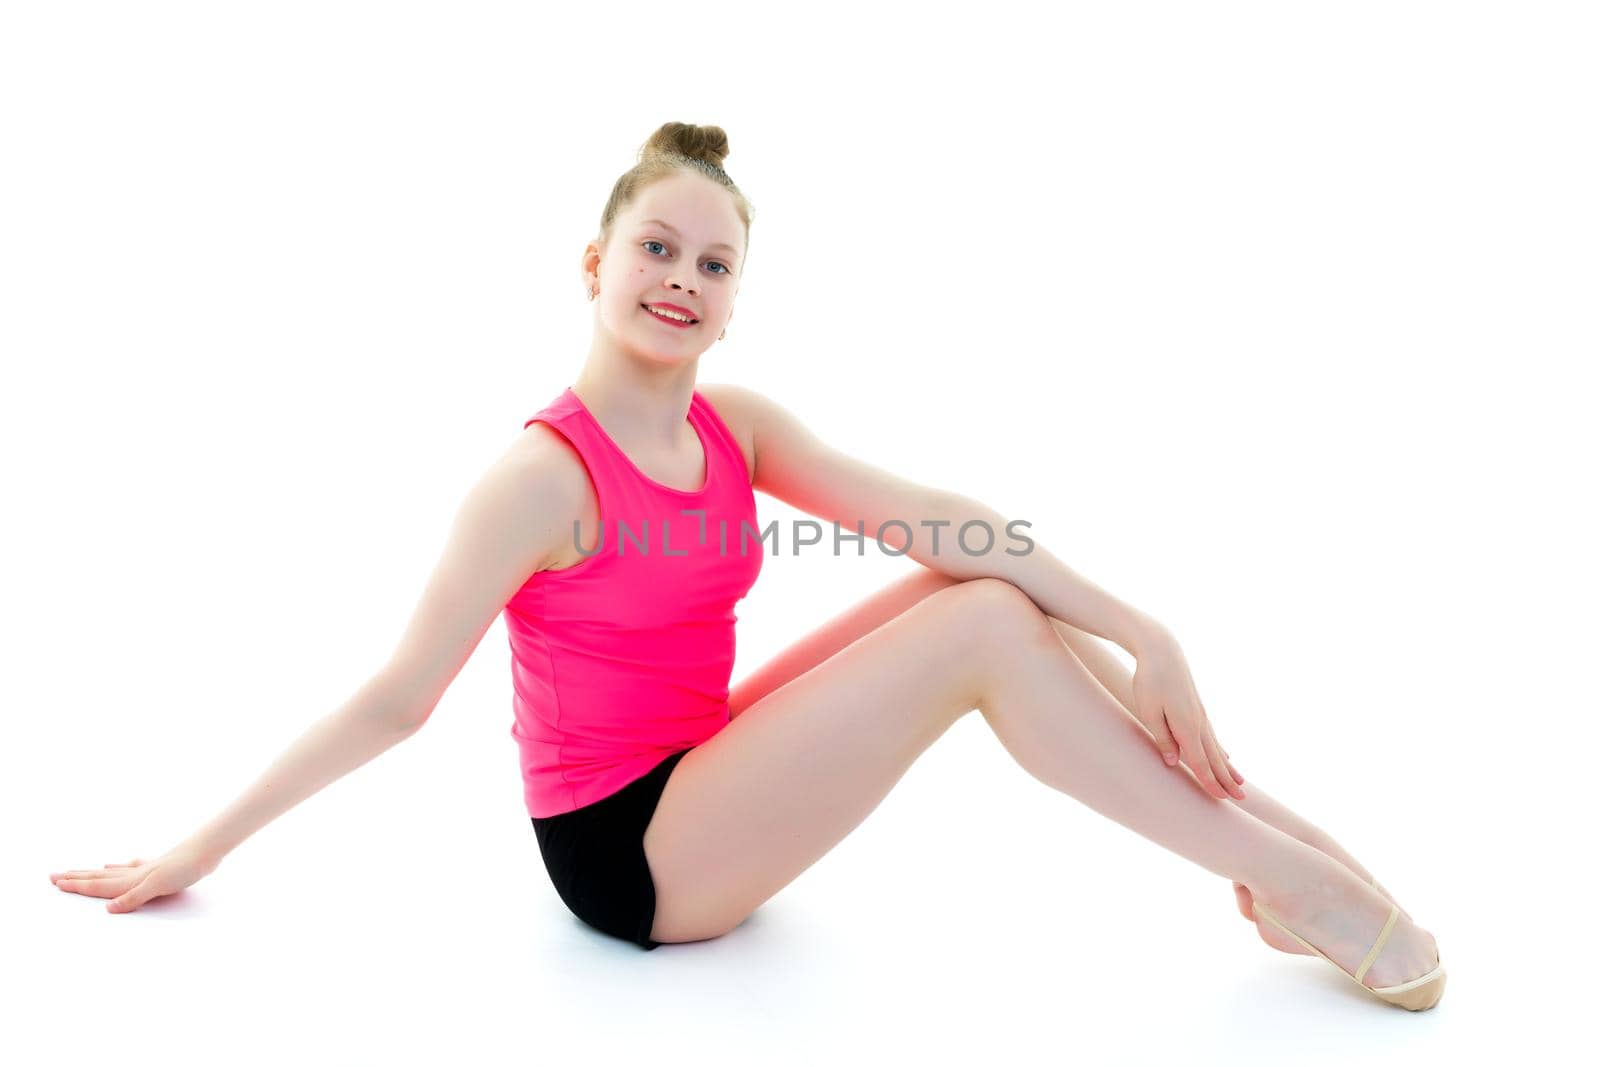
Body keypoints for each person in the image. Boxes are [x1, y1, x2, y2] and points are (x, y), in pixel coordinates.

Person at [49, 121, 1444, 1009]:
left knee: (980, 592)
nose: (680, 277)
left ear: (730, 306)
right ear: (593, 261)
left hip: (705, 763)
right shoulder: (539, 478)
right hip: (630, 859)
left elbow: (940, 516)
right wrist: (198, 845)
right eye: (656, 247)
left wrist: (1150, 628)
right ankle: (1284, 878)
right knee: (979, 638)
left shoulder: (737, 427)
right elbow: (394, 700)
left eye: (712, 265)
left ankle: (1281, 863)